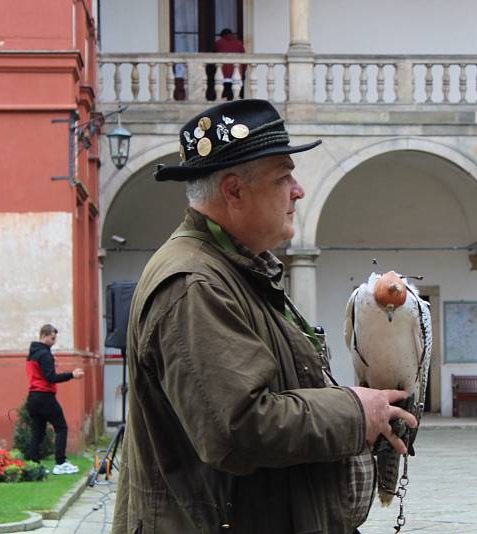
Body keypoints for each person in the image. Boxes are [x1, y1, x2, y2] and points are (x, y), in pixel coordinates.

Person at [111, 99, 417, 534]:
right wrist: (354, 412)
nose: (298, 190)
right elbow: (237, 428)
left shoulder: (233, 269)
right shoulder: (193, 284)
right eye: (283, 176)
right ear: (234, 191)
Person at [26, 324, 84, 474]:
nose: (54, 341)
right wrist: (72, 375)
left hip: (33, 397)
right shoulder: (44, 355)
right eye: (52, 338)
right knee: (61, 427)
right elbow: (50, 377)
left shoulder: (32, 353)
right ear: (44, 336)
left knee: (38, 432)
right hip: (45, 396)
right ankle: (60, 463)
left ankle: (33, 465)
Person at [213, 28, 246, 100]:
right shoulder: (239, 43)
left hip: (223, 73)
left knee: (224, 96)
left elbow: (214, 57)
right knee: (235, 97)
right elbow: (244, 60)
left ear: (222, 35)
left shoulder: (219, 43)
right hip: (237, 73)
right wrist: (243, 73)